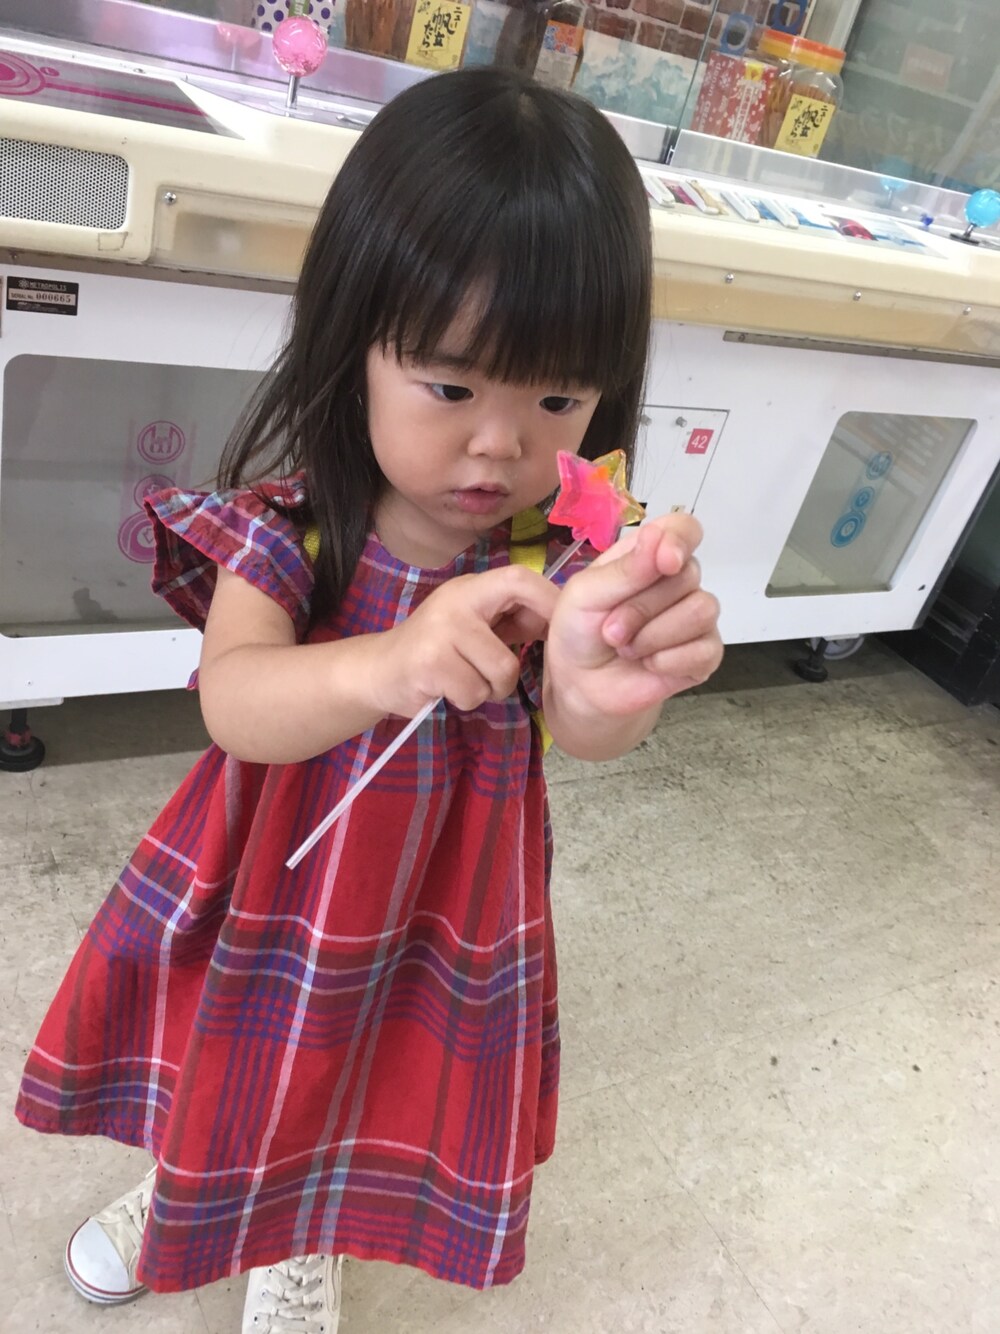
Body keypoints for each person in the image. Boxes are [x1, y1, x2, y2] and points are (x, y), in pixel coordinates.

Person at [15, 67, 722, 1332]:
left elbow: (591, 730)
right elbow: (235, 699)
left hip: (444, 906)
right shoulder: (296, 525)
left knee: (367, 1076)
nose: (499, 443)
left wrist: (610, 677)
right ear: (354, 351)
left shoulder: (558, 560)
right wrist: (388, 661)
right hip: (265, 879)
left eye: (556, 396)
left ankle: (303, 1238)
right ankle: (185, 1185)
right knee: (224, 1049)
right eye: (450, 386)